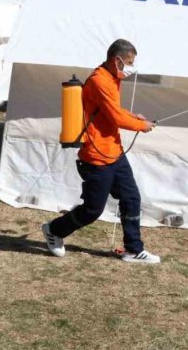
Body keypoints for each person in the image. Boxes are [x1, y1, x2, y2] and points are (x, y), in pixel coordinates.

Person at [42, 39, 160, 264]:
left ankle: (134, 250)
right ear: (116, 60)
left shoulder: (113, 78)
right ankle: (54, 230)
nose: (131, 67)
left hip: (114, 151)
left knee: (131, 198)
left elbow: (111, 110)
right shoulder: (100, 81)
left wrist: (134, 117)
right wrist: (141, 126)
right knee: (92, 210)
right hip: (96, 156)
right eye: (129, 62)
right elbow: (115, 117)